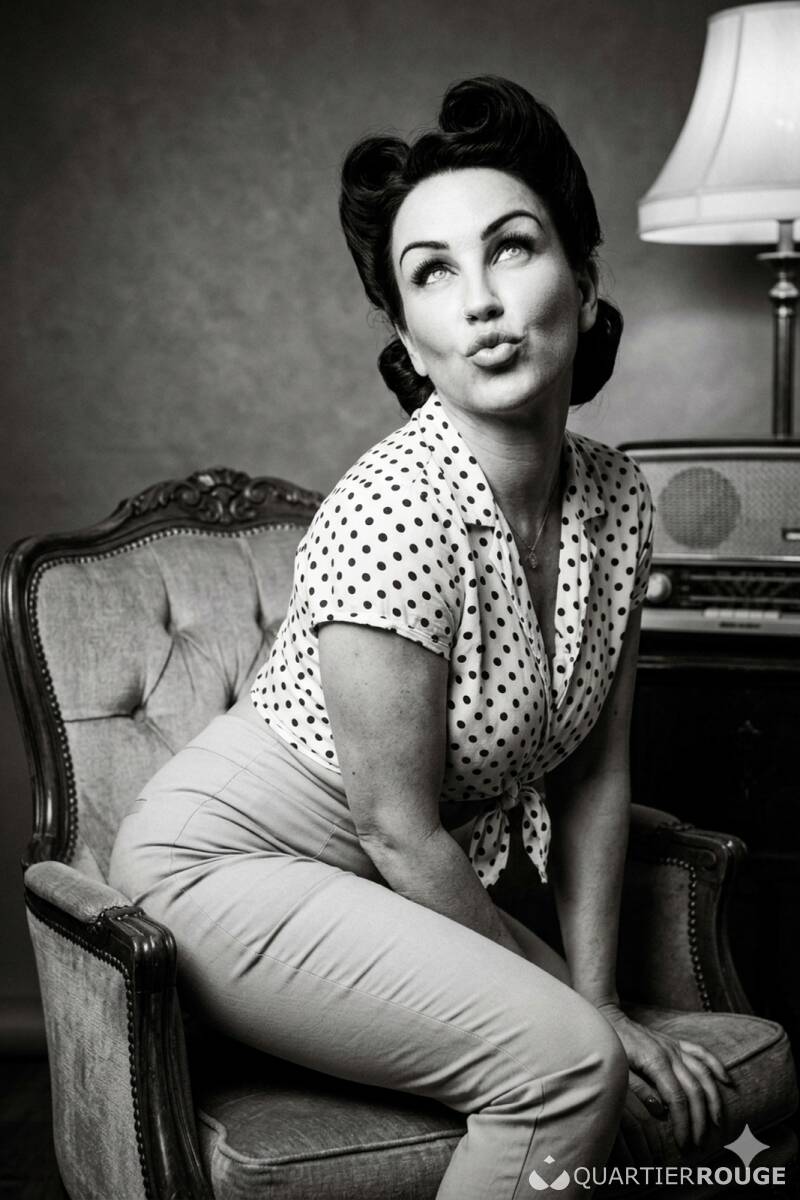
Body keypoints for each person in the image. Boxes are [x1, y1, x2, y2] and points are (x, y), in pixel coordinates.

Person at [109, 75, 730, 1199]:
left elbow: (594, 776)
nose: (480, 301)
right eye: (432, 272)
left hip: (380, 881)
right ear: (408, 336)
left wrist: (602, 995)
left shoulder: (618, 496)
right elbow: (395, 830)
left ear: (584, 279)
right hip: (222, 866)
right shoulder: (394, 510)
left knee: (592, 1046)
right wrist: (590, 1021)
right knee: (568, 1069)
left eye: (512, 248)